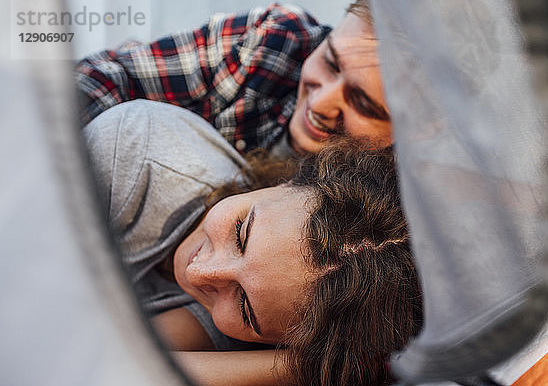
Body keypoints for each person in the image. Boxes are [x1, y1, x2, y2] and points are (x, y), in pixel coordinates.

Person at [83, 99, 421, 386]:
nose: (200, 272)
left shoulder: (239, 328)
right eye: (241, 233)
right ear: (287, 182)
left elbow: (97, 364)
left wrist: (307, 365)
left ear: (281, 343)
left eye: (245, 305)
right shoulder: (135, 153)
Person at [75, 0, 392, 158]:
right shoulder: (275, 41)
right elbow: (113, 75)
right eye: (331, 62)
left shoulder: (399, 218)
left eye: (364, 104)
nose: (321, 103)